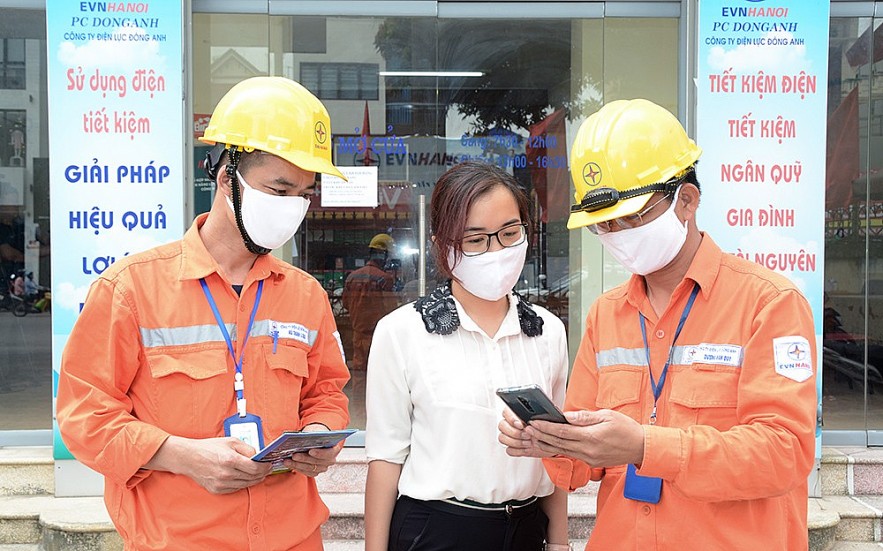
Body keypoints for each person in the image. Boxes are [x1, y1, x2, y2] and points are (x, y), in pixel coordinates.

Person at [498, 99, 817, 550]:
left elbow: (784, 452)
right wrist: (550, 439)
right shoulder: (607, 314)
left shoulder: (769, 303)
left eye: (631, 217)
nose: (617, 235)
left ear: (686, 200)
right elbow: (580, 466)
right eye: (603, 225)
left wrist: (645, 447)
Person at [56, 76, 351, 551]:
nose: (293, 207)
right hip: (178, 541)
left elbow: (326, 393)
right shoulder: (130, 289)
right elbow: (83, 416)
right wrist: (179, 455)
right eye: (279, 190)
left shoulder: (305, 295)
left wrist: (320, 435)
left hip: (293, 538)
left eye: (304, 193)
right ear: (227, 178)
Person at [365, 161, 570, 551]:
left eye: (510, 233)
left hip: (526, 528)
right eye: (476, 240)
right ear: (442, 246)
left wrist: (558, 543)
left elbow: (555, 450)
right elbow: (385, 458)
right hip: (435, 530)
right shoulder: (402, 332)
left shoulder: (547, 331)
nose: (497, 251)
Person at [342, 233, 400, 370]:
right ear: (384, 256)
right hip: (379, 337)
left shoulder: (352, 277)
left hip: (358, 335)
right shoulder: (385, 279)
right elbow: (391, 310)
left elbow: (345, 304)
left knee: (359, 373)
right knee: (380, 372)